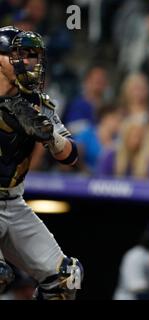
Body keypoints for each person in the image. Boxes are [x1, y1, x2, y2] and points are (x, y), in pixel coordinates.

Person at [0, 26, 83, 300]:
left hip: (13, 202)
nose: (30, 63)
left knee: (66, 279)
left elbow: (71, 156)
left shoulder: (36, 103)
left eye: (33, 56)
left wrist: (52, 137)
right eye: (21, 54)